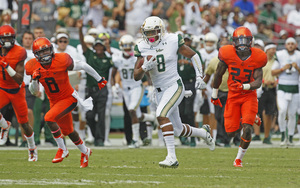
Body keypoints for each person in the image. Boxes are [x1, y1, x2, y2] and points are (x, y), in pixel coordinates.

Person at [134, 16, 215, 168]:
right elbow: (136, 76)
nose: (150, 36)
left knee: (161, 115)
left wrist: (199, 76)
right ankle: (204, 133)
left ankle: (171, 157)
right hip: (159, 91)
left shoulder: (172, 40)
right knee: (177, 130)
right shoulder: (141, 46)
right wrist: (144, 68)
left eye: (153, 32)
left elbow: (194, 55)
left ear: (161, 30)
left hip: (174, 85)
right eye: (148, 32)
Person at [25, 37, 107, 168]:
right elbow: (34, 91)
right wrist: (34, 80)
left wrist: (99, 79)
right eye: (42, 52)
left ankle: (62, 149)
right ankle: (85, 151)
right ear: (36, 55)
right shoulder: (32, 66)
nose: (45, 54)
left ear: (51, 49)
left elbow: (83, 66)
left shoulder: (62, 59)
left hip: (68, 98)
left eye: (47, 51)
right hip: (54, 101)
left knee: (48, 118)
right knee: (69, 131)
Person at [211, 26, 267, 167]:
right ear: (233, 42)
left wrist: (245, 86)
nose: (242, 43)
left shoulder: (258, 56)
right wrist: (214, 94)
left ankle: (238, 159)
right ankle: (249, 117)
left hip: (249, 95)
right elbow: (218, 74)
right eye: (239, 40)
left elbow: (258, 81)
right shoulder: (226, 53)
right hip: (233, 96)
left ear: (250, 41)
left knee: (247, 129)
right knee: (230, 133)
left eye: (245, 40)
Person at [0, 25, 37, 161]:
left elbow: (19, 79)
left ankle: (32, 148)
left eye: (10, 37)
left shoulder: (20, 51)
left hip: (16, 90)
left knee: (24, 124)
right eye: (5, 38)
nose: (8, 40)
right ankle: (4, 125)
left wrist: (7, 66)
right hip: (2, 88)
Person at [111, 34, 155, 148]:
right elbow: (114, 73)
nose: (127, 48)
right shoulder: (117, 58)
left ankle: (135, 140)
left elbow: (146, 72)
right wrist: (114, 85)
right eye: (124, 46)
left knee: (131, 110)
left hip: (137, 87)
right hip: (125, 89)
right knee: (137, 115)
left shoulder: (137, 58)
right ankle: (152, 118)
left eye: (129, 45)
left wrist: (149, 85)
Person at [78, 20, 113, 147]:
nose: (98, 48)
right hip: (91, 89)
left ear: (103, 47)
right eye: (96, 46)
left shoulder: (108, 59)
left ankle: (100, 139)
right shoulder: (89, 55)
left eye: (100, 46)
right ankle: (95, 135)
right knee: (90, 115)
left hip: (102, 90)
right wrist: (80, 30)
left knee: (101, 115)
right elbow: (82, 43)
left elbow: (114, 69)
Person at [271, 37, 300, 146]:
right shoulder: (280, 54)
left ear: (296, 45)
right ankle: (283, 134)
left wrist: (297, 68)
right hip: (282, 86)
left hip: (295, 86)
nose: (290, 45)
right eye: (288, 44)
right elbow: (273, 72)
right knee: (282, 111)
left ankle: (291, 137)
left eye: (292, 44)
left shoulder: (298, 55)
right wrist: (283, 68)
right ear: (286, 45)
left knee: (292, 114)